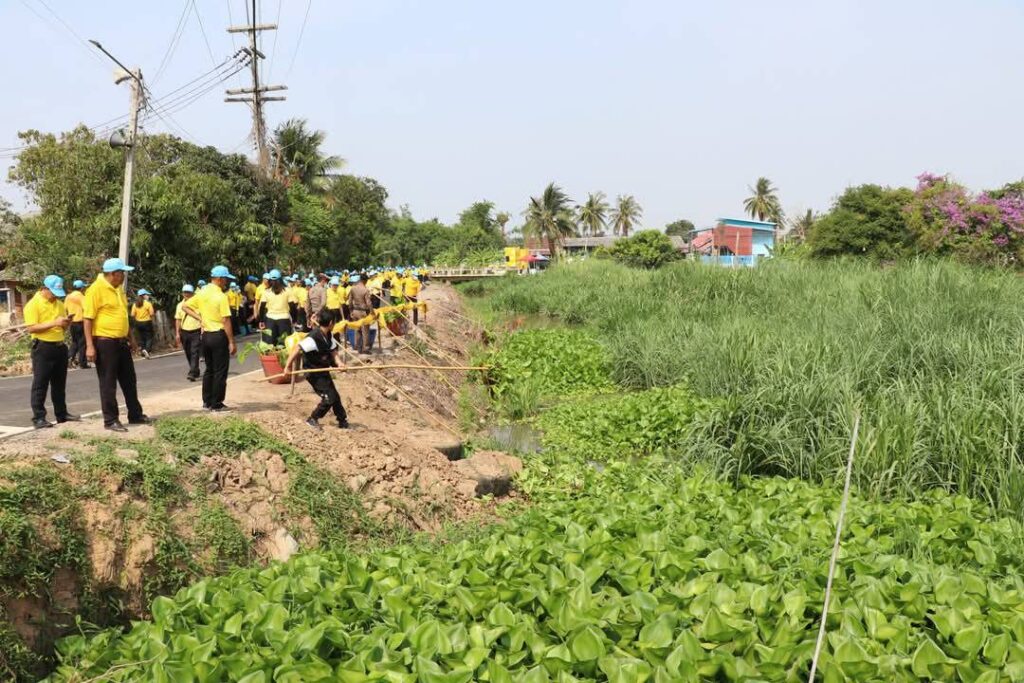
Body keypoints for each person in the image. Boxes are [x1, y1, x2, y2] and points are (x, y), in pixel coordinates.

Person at [83, 258, 151, 432]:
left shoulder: (118, 289)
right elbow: (88, 319)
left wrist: (131, 338)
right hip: (105, 342)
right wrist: (89, 345)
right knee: (108, 382)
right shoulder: (95, 290)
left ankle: (135, 414)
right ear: (114, 274)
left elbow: (123, 316)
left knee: (129, 380)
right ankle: (110, 420)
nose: (124, 276)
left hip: (121, 341)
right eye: (122, 273)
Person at [24, 275, 79, 428]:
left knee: (59, 384)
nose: (55, 296)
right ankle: (39, 417)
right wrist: (54, 322)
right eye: (53, 292)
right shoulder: (33, 304)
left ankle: (62, 414)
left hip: (59, 346)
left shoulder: (59, 304)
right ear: (45, 288)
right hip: (43, 347)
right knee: (40, 384)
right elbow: (31, 328)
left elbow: (61, 327)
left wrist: (66, 323)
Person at [283, 308, 349, 430]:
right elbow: (297, 348)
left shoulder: (328, 334)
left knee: (335, 396)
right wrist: (287, 367)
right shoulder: (313, 338)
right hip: (313, 373)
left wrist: (339, 363)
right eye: (334, 322)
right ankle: (313, 418)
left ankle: (342, 420)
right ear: (331, 323)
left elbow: (333, 351)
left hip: (323, 370)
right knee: (329, 397)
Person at [185, 266, 237, 411]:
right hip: (218, 335)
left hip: (206, 336)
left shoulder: (202, 292)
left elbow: (185, 307)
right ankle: (217, 403)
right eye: (225, 279)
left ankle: (206, 401)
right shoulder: (221, 296)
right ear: (219, 279)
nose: (226, 282)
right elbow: (226, 320)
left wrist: (200, 318)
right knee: (220, 370)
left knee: (209, 369)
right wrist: (231, 341)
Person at [174, 284, 202, 381]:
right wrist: (177, 333)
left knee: (195, 351)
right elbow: (178, 319)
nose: (186, 294)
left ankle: (192, 372)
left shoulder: (198, 304)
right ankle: (195, 369)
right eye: (185, 292)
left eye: (188, 292)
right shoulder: (179, 306)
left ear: (192, 293)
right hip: (184, 332)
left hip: (196, 331)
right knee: (188, 352)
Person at [258, 269, 292, 345]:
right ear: (281, 279)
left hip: (270, 321)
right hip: (284, 320)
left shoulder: (266, 292)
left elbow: (262, 307)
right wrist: (295, 320)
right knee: (284, 344)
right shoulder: (287, 290)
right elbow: (292, 306)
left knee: (270, 344)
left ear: (270, 280)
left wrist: (261, 321)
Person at [64, 279, 88, 369]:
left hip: (72, 323)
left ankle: (69, 359)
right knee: (82, 343)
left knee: (74, 342)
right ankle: (83, 363)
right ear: (81, 288)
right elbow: (87, 308)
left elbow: (65, 308)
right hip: (81, 322)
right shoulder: (81, 297)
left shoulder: (68, 297)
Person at [347, 273, 373, 356]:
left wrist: (351, 311)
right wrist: (372, 312)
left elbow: (350, 301)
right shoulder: (365, 290)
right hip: (363, 312)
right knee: (365, 331)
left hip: (355, 311)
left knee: (357, 329)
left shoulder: (353, 288)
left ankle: (358, 346)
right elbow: (369, 303)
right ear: (365, 281)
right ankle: (365, 348)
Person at [130, 289, 155, 358]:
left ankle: (143, 351)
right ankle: (147, 350)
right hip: (147, 322)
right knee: (149, 337)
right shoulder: (148, 303)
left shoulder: (135, 304)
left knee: (142, 338)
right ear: (143, 296)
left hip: (138, 323)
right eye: (147, 295)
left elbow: (132, 314)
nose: (148, 296)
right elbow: (152, 313)